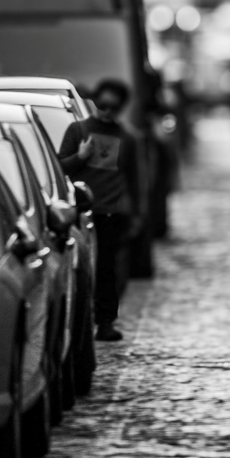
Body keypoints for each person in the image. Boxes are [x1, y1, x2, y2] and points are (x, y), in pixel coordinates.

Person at [59, 76, 143, 344]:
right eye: (102, 105)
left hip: (111, 213)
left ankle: (105, 322)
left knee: (107, 270)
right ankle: (78, 324)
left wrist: (137, 215)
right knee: (80, 270)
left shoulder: (127, 138)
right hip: (81, 212)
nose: (106, 112)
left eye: (113, 107)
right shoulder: (77, 130)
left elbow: (136, 179)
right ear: (95, 102)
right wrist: (80, 157)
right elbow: (60, 168)